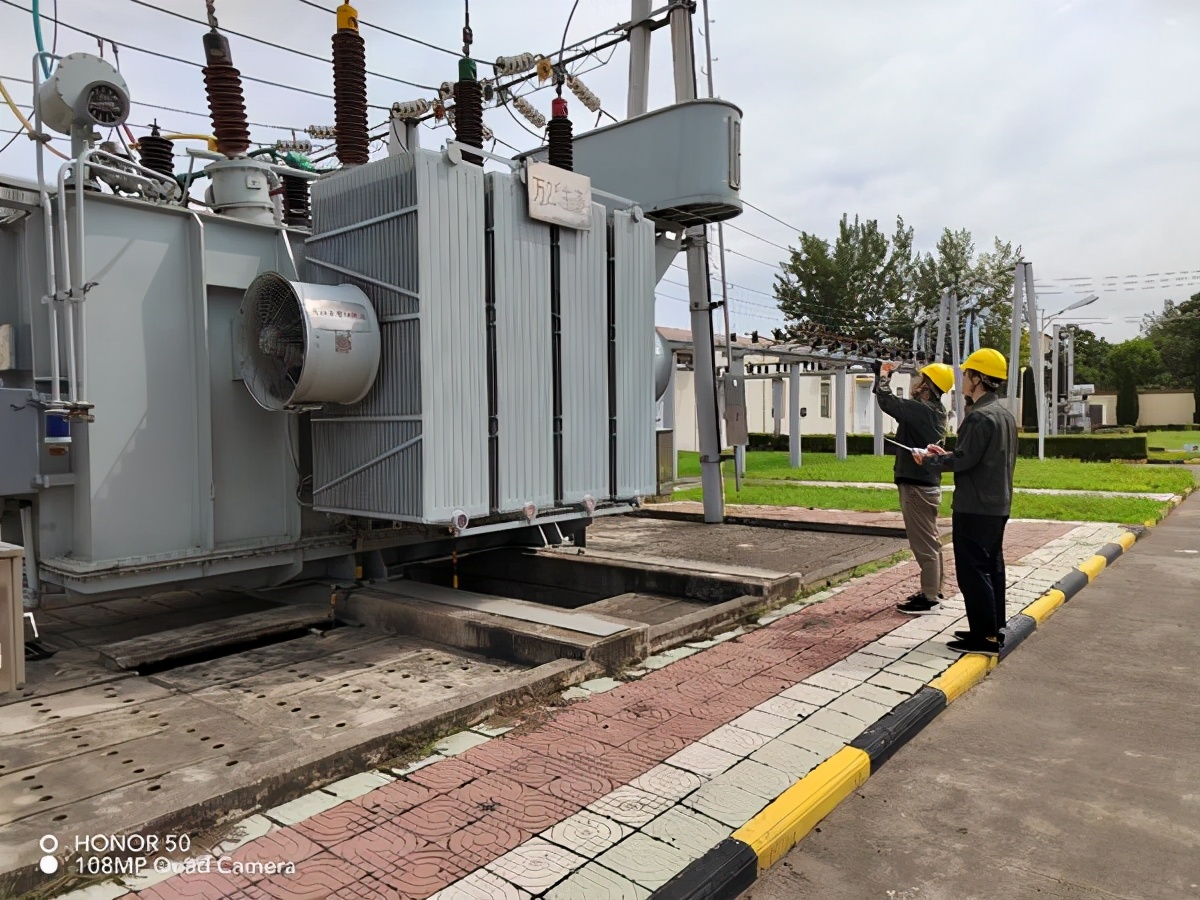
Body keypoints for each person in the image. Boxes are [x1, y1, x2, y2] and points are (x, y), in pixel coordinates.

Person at [912, 348, 1017, 657]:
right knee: (992, 567)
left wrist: (928, 460)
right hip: (997, 505)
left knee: (974, 571)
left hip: (975, 506)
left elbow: (964, 460)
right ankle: (992, 628)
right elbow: (976, 456)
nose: (964, 380)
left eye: (968, 374)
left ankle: (983, 638)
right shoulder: (1004, 415)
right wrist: (942, 455)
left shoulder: (979, 417)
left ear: (979, 379)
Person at [872, 359, 953, 615]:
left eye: (920, 379)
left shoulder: (923, 410)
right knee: (931, 541)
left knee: (924, 544)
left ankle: (930, 598)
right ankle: (934, 590)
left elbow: (887, 402)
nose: (915, 383)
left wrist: (884, 374)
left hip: (917, 487)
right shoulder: (936, 411)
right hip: (927, 484)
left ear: (928, 386)